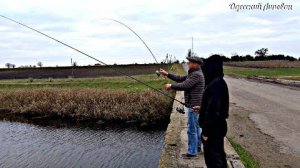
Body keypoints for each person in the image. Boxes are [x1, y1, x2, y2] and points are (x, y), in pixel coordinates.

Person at [160, 56, 205, 158]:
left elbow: (185, 85)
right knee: (197, 127)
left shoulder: (196, 75)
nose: (188, 63)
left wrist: (171, 86)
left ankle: (192, 152)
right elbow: (180, 79)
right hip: (195, 104)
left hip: (194, 106)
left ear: (196, 64)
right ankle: (197, 146)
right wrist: (167, 74)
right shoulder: (193, 73)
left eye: (190, 62)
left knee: (191, 129)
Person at [194, 55, 229, 168]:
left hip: (213, 130)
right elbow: (214, 107)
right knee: (218, 157)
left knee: (214, 160)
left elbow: (214, 112)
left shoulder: (216, 84)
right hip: (217, 128)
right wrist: (202, 109)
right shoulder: (218, 82)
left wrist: (205, 132)